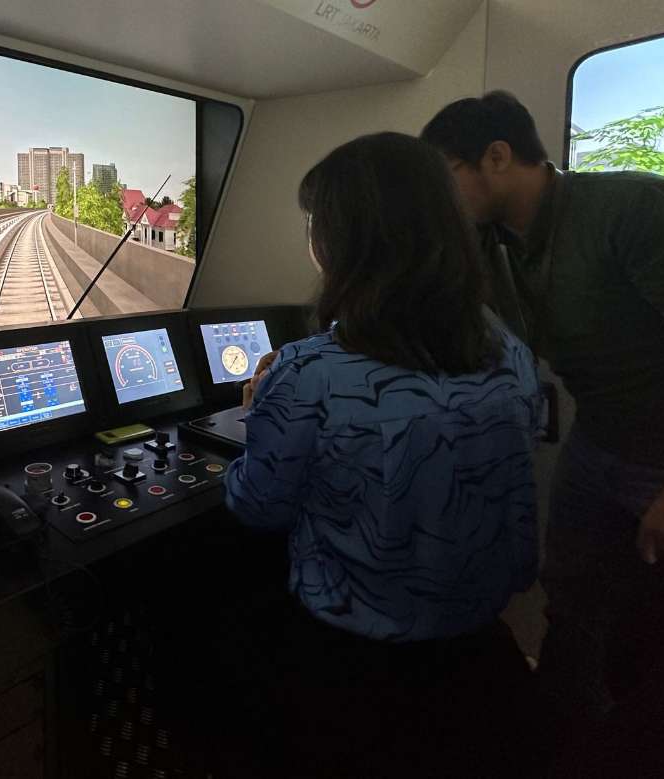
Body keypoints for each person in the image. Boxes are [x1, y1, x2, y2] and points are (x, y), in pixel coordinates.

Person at [421, 91, 664, 754]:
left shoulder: (637, 210)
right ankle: (565, 734)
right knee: (571, 595)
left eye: (442, 177)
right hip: (601, 439)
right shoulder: (496, 244)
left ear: (497, 156)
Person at [220, 132, 543, 776]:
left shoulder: (308, 371)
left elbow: (257, 506)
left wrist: (261, 411)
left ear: (341, 242)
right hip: (479, 653)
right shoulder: (506, 347)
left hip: (350, 665)